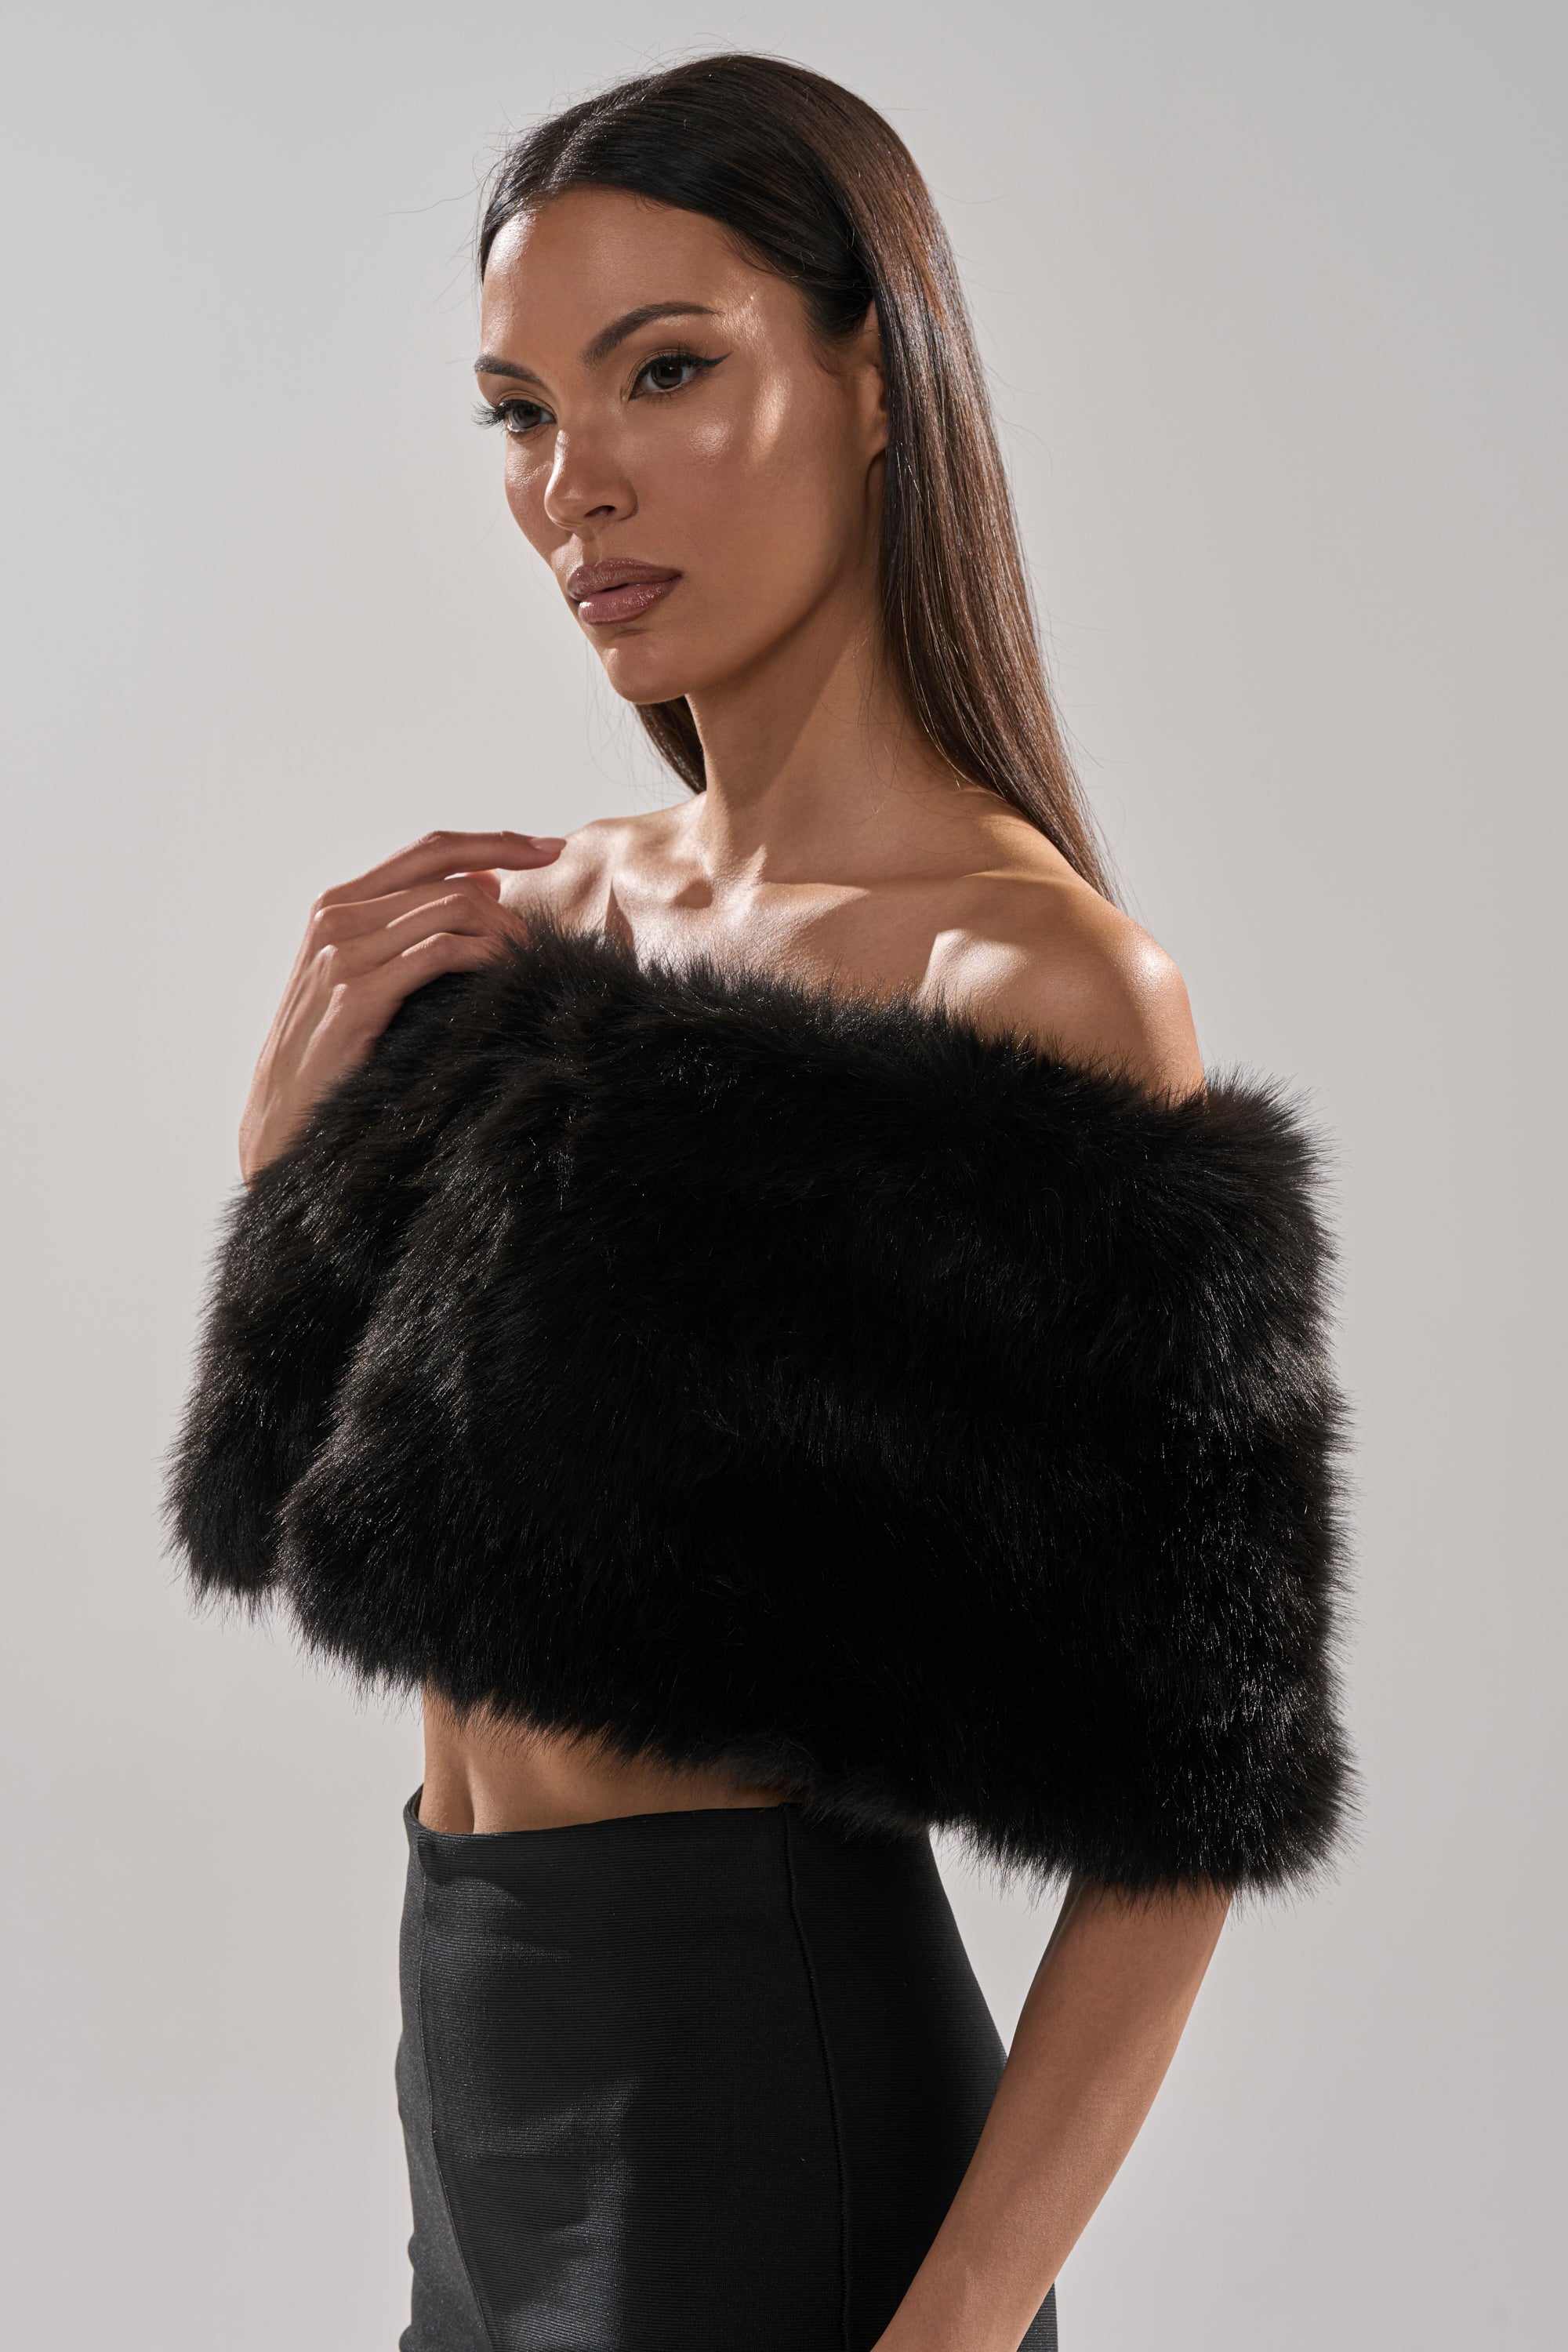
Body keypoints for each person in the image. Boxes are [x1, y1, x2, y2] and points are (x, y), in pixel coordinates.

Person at [169, 53, 1353, 2352]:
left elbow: (1191, 1798)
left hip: (762, 2109)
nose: (570, 485)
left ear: (876, 377)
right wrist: (286, 1159)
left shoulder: (1030, 985)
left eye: (667, 372)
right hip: (479, 2065)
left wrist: (956, 2320)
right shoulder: (557, 920)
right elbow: (281, 1521)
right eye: (517, 411)